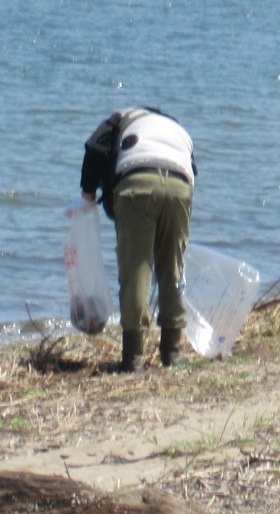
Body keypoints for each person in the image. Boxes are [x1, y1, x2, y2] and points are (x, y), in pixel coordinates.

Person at [79, 108, 196, 370]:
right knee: (173, 270)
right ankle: (172, 354)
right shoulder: (174, 126)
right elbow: (191, 168)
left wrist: (87, 194)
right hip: (180, 186)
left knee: (136, 272)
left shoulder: (121, 118)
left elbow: (95, 148)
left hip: (137, 184)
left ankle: (133, 359)